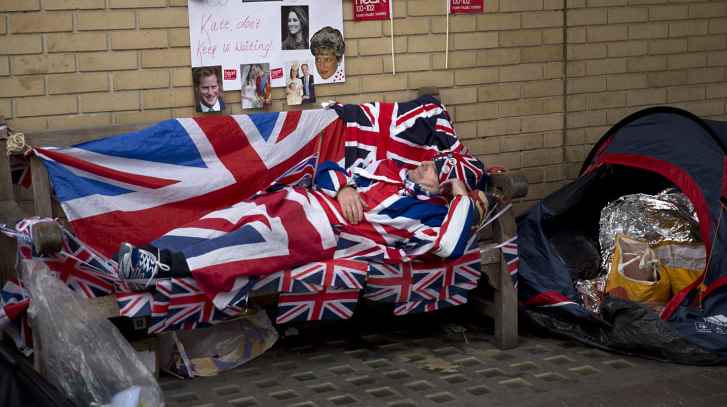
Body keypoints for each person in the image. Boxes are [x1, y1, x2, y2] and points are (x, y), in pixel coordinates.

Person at [116, 151, 490, 286]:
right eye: (434, 159)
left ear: (444, 189)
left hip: (322, 231)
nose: (428, 164)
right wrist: (344, 186)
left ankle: (165, 269)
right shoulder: (386, 168)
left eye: (438, 170)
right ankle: (150, 253)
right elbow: (328, 167)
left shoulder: (430, 214)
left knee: (245, 243)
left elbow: (447, 246)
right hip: (302, 198)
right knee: (227, 218)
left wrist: (460, 196)